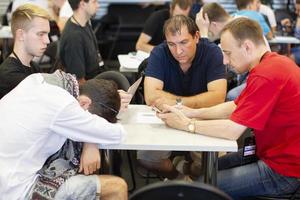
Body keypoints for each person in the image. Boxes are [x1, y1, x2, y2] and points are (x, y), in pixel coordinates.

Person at [158, 17, 300, 199]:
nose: (224, 61)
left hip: (284, 171)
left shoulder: (266, 75)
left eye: (227, 53)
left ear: (247, 47)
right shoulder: (272, 63)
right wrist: (192, 113)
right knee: (206, 171)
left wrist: (187, 124)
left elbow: (233, 130)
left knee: (202, 187)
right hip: (270, 154)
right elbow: (235, 105)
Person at [138, 15, 227, 180]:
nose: (178, 51)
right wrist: (198, 100)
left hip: (202, 117)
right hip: (166, 117)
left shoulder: (212, 52)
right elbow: (151, 96)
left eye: (184, 42)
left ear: (197, 37)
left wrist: (178, 103)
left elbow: (218, 97)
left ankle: (188, 168)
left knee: (217, 162)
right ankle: (180, 180)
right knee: (146, 158)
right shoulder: (159, 52)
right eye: (172, 44)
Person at [59, 0, 132, 109]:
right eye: (94, 2)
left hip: (98, 77)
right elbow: (80, 82)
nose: (98, 5)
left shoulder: (85, 24)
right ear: (82, 4)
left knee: (128, 80)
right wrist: (110, 94)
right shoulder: (74, 37)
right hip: (91, 90)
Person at [0, 4, 50, 99]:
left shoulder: (34, 67)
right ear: (21, 35)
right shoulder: (10, 75)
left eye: (47, 34)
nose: (47, 41)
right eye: (41, 34)